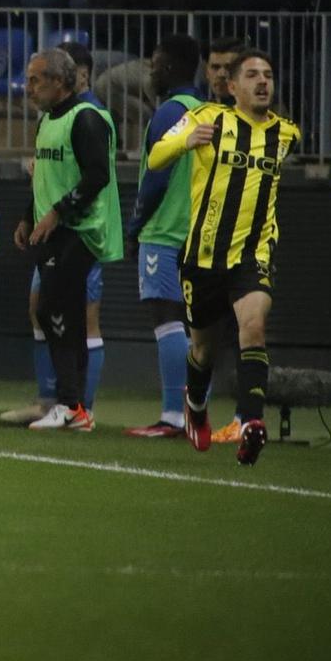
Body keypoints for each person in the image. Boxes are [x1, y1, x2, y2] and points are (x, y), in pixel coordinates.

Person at [145, 47, 299, 465]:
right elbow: (155, 155)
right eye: (252, 75)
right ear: (231, 86)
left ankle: (251, 422)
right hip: (203, 255)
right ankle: (194, 405)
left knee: (253, 326)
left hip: (253, 253)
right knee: (204, 351)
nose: (263, 81)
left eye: (267, 74)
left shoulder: (286, 133)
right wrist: (183, 142)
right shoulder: (207, 118)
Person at [12, 47, 121, 434]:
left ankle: (70, 404)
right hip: (53, 229)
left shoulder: (86, 118)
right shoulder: (48, 121)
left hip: (80, 229)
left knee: (55, 308)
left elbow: (96, 177)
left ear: (59, 82)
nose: (28, 87)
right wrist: (29, 216)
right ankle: (74, 408)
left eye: (35, 79)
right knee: (63, 312)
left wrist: (57, 213)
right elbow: (46, 177)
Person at [121, 35, 205, 440]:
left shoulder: (169, 112)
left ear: (170, 68)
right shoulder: (205, 111)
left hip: (165, 231)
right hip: (198, 231)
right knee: (194, 325)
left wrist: (135, 227)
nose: (151, 71)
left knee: (166, 319)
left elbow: (155, 179)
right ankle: (194, 412)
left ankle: (174, 415)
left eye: (155, 63)